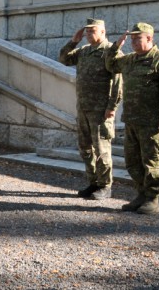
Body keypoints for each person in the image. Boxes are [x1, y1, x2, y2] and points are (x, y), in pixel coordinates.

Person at [106, 22, 159, 215]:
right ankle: (141, 194)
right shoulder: (129, 59)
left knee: (151, 161)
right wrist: (116, 46)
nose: (134, 43)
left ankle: (153, 199)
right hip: (131, 119)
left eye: (138, 39)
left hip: (151, 122)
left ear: (149, 39)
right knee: (132, 161)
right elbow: (111, 64)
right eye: (132, 39)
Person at [59, 18, 123, 200]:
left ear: (103, 32)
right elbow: (64, 59)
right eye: (86, 32)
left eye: (91, 31)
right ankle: (93, 182)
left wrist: (112, 107)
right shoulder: (84, 51)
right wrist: (74, 41)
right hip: (84, 108)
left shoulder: (110, 51)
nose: (88, 34)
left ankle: (105, 186)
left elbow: (118, 83)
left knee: (102, 149)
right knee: (85, 148)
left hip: (101, 110)